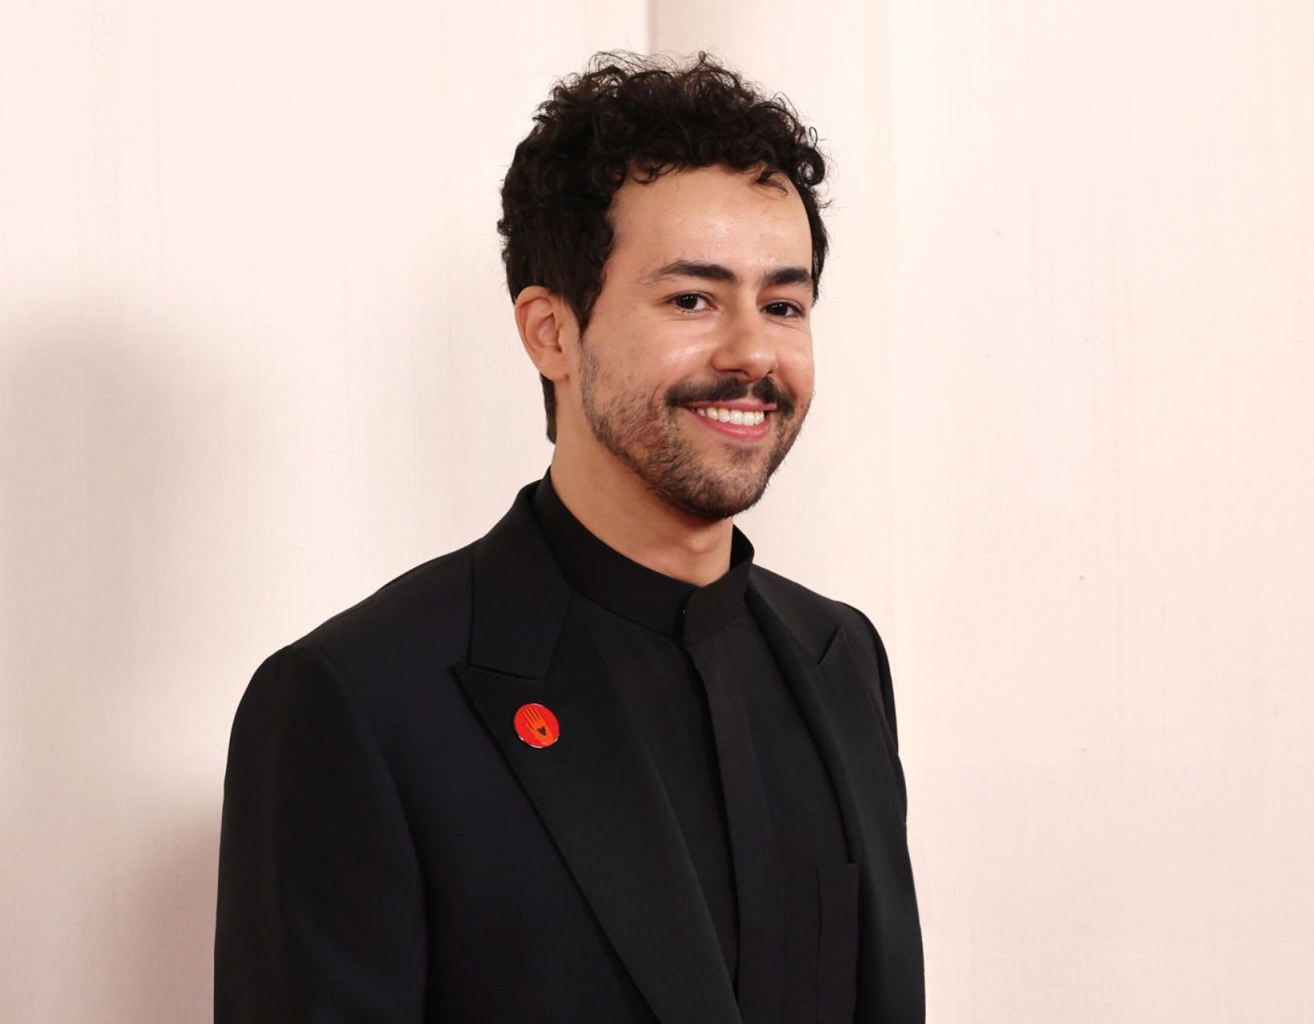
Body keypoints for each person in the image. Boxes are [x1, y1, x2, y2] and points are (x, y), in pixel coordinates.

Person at [214, 52, 924, 1024]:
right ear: (551, 332)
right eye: (692, 299)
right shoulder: (359, 701)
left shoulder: (842, 660)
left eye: (783, 305)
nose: (753, 352)